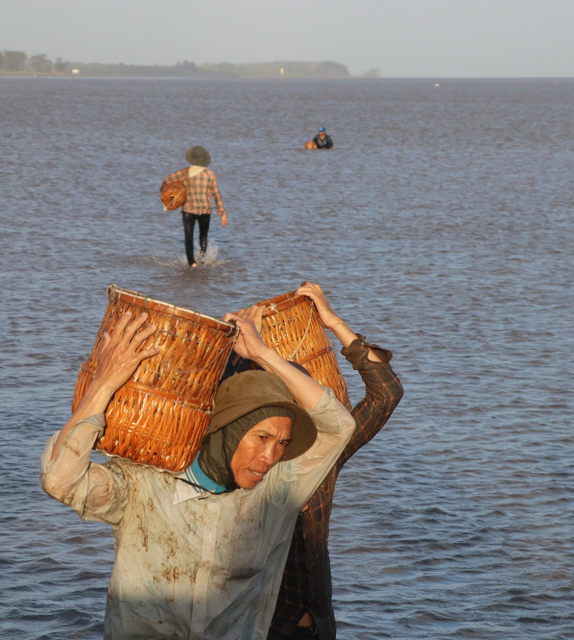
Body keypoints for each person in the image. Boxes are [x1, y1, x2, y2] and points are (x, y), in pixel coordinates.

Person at [40, 307, 355, 639]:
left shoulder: (274, 496)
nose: (270, 457)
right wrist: (103, 384)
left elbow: (339, 426)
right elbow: (60, 480)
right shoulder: (145, 484)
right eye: (261, 438)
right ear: (228, 430)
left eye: (282, 443)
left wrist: (263, 353)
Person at [253, 283, 402, 640]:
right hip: (261, 626)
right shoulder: (243, 463)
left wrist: (333, 323)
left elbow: (387, 392)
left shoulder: (322, 452)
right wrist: (250, 353)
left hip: (318, 624)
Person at [160, 145, 227, 268]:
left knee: (188, 237)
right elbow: (216, 195)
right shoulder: (210, 174)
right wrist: (222, 213)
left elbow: (166, 180)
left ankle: (192, 263)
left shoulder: (184, 172)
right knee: (203, 236)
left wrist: (164, 192)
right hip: (205, 210)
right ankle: (202, 260)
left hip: (188, 210)